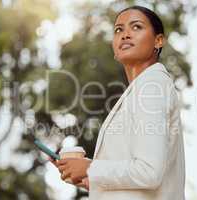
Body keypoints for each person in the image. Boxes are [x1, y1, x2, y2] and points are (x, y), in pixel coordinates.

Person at [51, 5, 185, 200]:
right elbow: (139, 179)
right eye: (118, 30)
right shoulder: (141, 88)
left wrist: (91, 168)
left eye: (136, 27)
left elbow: (149, 171)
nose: (125, 34)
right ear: (114, 48)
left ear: (158, 40)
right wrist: (89, 178)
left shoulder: (151, 85)